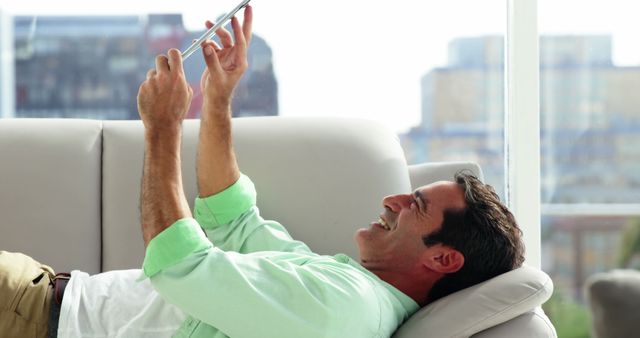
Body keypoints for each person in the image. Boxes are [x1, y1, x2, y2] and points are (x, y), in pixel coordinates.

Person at [0, 5, 525, 338]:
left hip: (36, 317)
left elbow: (178, 264)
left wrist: (161, 128)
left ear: (444, 258)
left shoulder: (343, 311)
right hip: (45, 298)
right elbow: (234, 219)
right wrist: (219, 99)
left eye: (417, 206)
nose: (393, 200)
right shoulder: (343, 285)